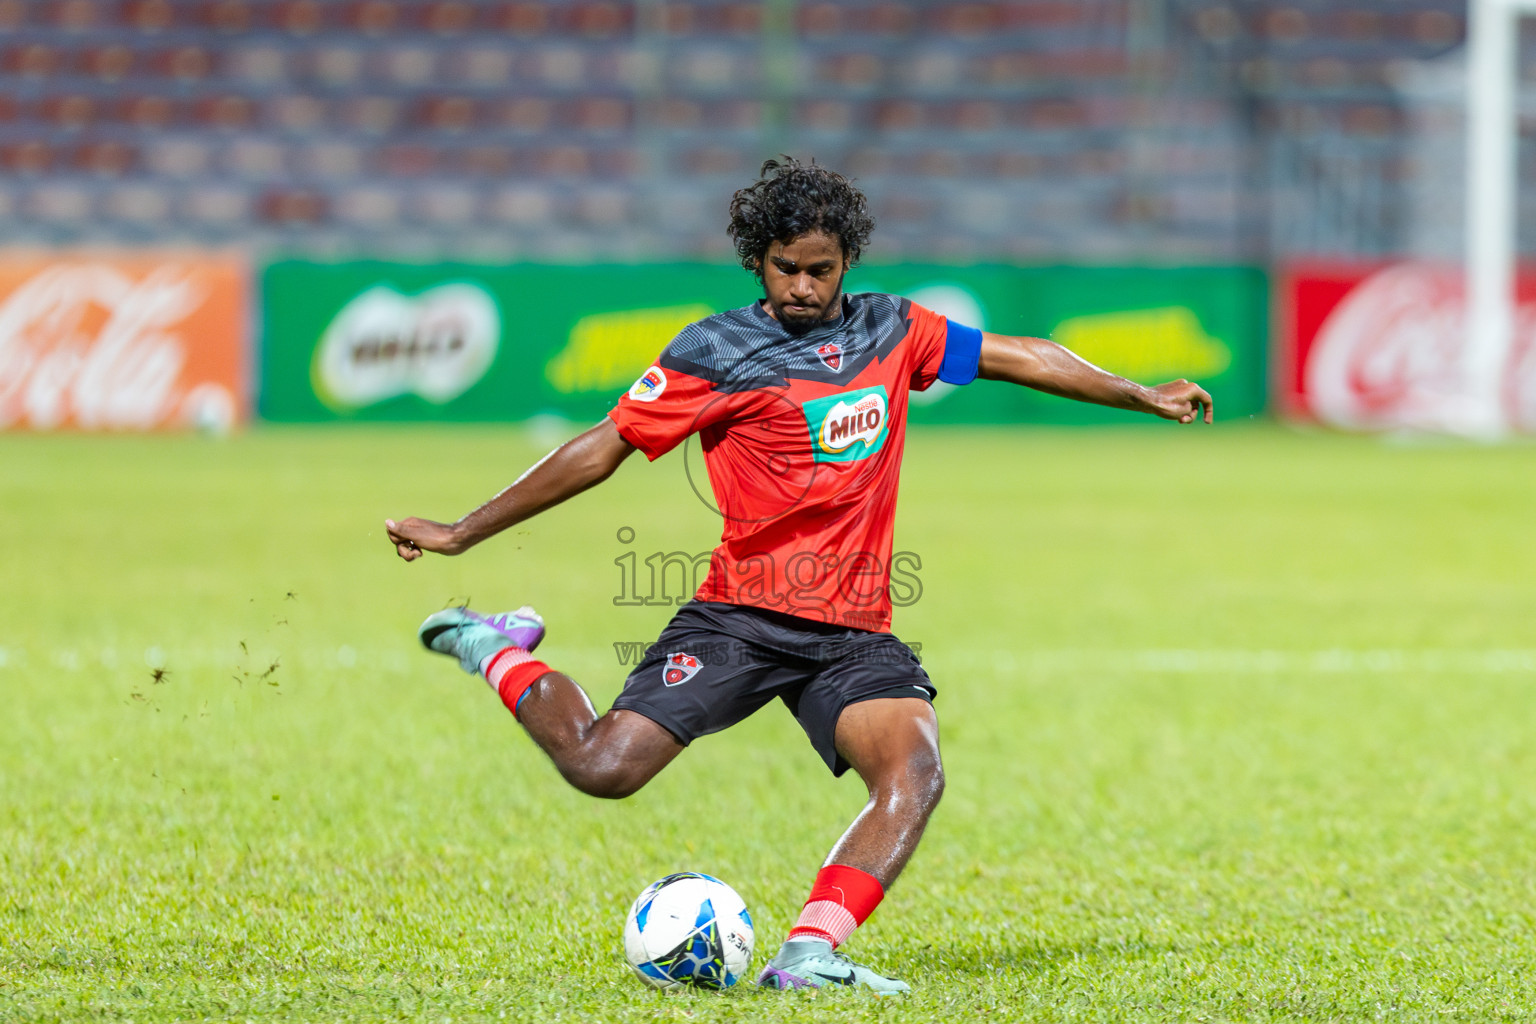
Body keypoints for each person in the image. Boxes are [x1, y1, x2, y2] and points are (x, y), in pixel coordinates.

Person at [386, 157, 1213, 994]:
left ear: (846, 262)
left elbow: (1024, 358)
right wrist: (462, 531)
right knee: (603, 768)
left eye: (821, 269)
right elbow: (602, 448)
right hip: (740, 617)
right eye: (787, 267)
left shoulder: (893, 330)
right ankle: (499, 648)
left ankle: (810, 953)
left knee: (914, 771)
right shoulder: (716, 350)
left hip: (853, 633)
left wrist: (1138, 393)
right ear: (759, 259)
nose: (804, 287)